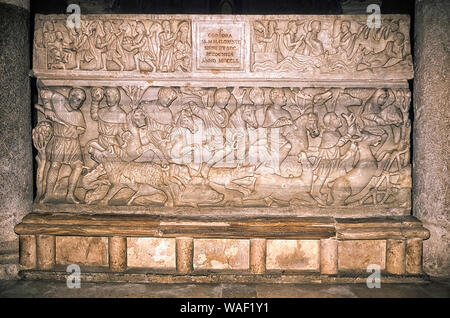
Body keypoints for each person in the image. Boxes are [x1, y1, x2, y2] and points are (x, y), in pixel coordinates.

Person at [42, 88, 87, 204]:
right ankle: (48, 194)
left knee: (78, 166)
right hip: (60, 141)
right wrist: (47, 107)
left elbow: (82, 128)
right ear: (70, 96)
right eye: (77, 99)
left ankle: (70, 195)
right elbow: (44, 92)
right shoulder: (60, 101)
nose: (80, 103)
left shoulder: (78, 114)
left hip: (73, 143)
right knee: (55, 165)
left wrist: (77, 129)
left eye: (82, 101)